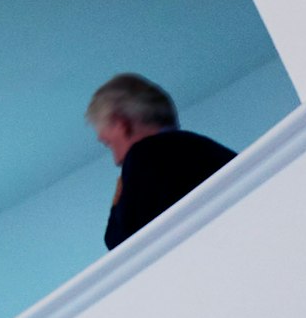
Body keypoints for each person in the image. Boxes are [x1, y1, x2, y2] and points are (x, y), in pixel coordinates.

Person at [91, 73, 235, 250]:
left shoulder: (143, 154)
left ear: (121, 124)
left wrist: (116, 206)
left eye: (109, 143)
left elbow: (126, 247)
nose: (116, 161)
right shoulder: (204, 148)